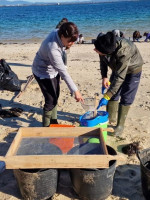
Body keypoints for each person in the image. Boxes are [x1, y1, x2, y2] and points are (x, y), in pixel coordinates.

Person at [32, 22, 84, 127]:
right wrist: (76, 91)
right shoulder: (53, 49)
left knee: (56, 95)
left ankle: (53, 121)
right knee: (50, 100)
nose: (72, 44)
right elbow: (63, 72)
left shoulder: (58, 32)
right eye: (70, 41)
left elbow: (61, 62)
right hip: (42, 72)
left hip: (53, 69)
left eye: (74, 41)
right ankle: (46, 126)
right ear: (62, 36)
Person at [94, 32, 143, 136]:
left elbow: (120, 77)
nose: (95, 50)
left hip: (133, 70)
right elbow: (102, 61)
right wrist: (104, 77)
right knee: (113, 92)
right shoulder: (103, 43)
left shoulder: (124, 51)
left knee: (126, 96)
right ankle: (110, 118)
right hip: (118, 69)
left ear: (108, 52)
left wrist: (107, 96)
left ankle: (120, 126)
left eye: (97, 50)